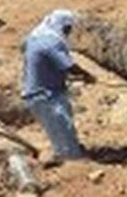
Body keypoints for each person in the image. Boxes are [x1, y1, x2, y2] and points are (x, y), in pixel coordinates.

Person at [21, 10, 96, 165]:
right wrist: (88, 76)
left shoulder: (35, 38)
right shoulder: (51, 42)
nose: (68, 33)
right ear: (60, 25)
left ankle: (67, 155)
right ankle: (73, 167)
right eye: (67, 28)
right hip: (46, 96)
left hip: (40, 95)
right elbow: (69, 66)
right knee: (64, 136)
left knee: (62, 132)